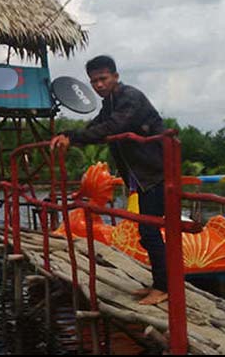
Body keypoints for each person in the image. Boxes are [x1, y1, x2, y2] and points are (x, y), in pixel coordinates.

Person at [50, 55, 168, 306]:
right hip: (144, 175)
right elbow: (98, 124)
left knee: (149, 231)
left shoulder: (129, 98)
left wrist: (74, 137)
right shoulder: (111, 102)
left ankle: (164, 287)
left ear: (115, 76)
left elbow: (113, 127)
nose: (98, 85)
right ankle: (160, 284)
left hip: (157, 174)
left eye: (103, 79)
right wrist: (69, 135)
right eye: (94, 81)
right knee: (148, 232)